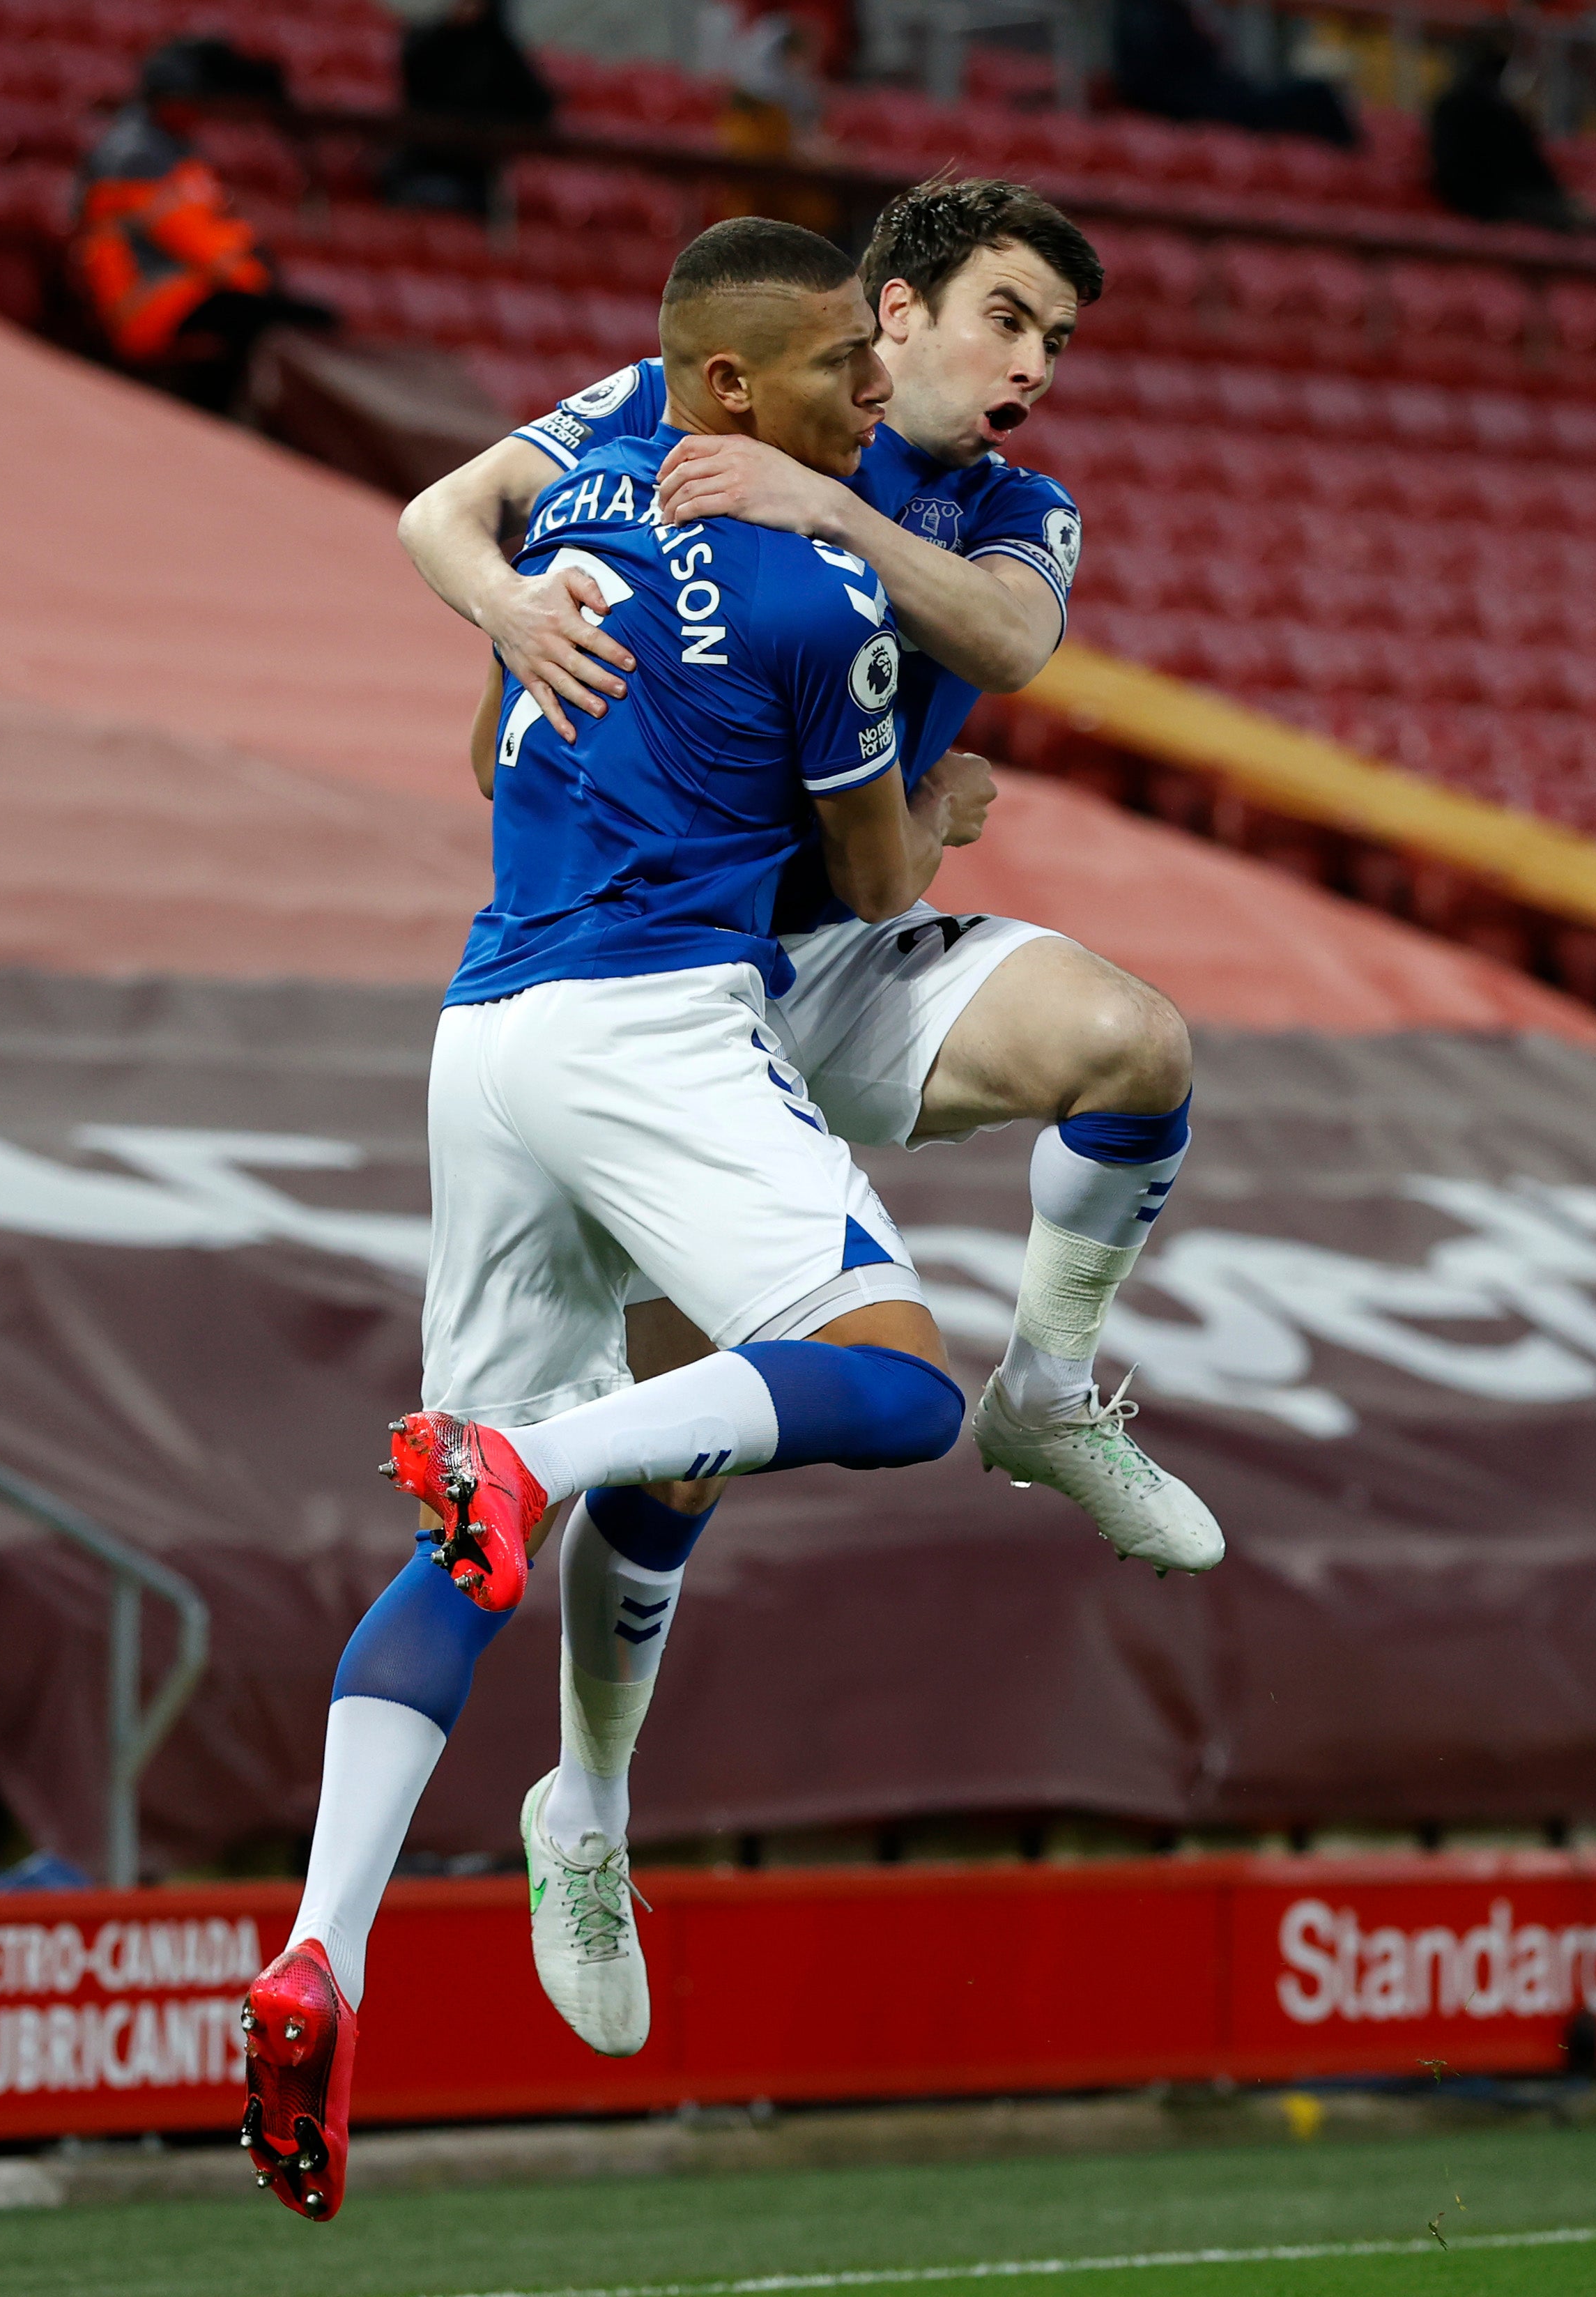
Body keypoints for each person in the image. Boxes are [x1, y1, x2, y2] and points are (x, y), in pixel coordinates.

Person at [240, 219, 983, 2224]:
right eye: (837, 363)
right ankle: (540, 1459)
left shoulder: (566, 474)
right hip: (657, 1029)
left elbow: (439, 532)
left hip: (479, 1042)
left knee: (475, 1558)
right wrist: (940, 812)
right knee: (904, 1391)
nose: (864, 391)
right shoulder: (818, 589)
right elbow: (859, 887)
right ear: (728, 391)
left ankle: (323, 1950)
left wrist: (492, 611)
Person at [400, 177, 1221, 1577]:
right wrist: (507, 605)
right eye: (1007, 317)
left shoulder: (1013, 504)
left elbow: (1014, 642)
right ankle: (592, 1791)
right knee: (673, 1458)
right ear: (896, 312)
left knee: (1135, 1046)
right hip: (655, 976)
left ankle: (1046, 1397)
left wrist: (822, 509)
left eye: (1059, 341)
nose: (1031, 364)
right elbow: (444, 511)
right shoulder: (671, 402)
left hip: (838, 946)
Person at [71, 40, 316, 409]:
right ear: (165, 100)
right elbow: (191, 236)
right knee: (269, 318)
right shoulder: (132, 154)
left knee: (295, 315)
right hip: (150, 304)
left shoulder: (178, 148)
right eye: (189, 101)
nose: (196, 112)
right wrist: (254, 278)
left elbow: (217, 225)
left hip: (185, 292)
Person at [1429, 28, 1596, 233]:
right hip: (1495, 202)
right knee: (1590, 228)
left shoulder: (1462, 104)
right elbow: (1525, 165)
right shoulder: (1493, 108)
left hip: (1496, 198)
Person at [381, 0, 554, 214]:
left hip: (472, 178)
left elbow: (539, 106)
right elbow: (412, 73)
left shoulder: (499, 54)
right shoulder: (431, 41)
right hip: (420, 165)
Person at [1108, 0, 1356, 147]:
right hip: (1207, 105)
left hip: (1222, 97)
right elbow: (1145, 83)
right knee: (1317, 95)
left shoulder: (1172, 10)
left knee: (1316, 96)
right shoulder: (1146, 12)